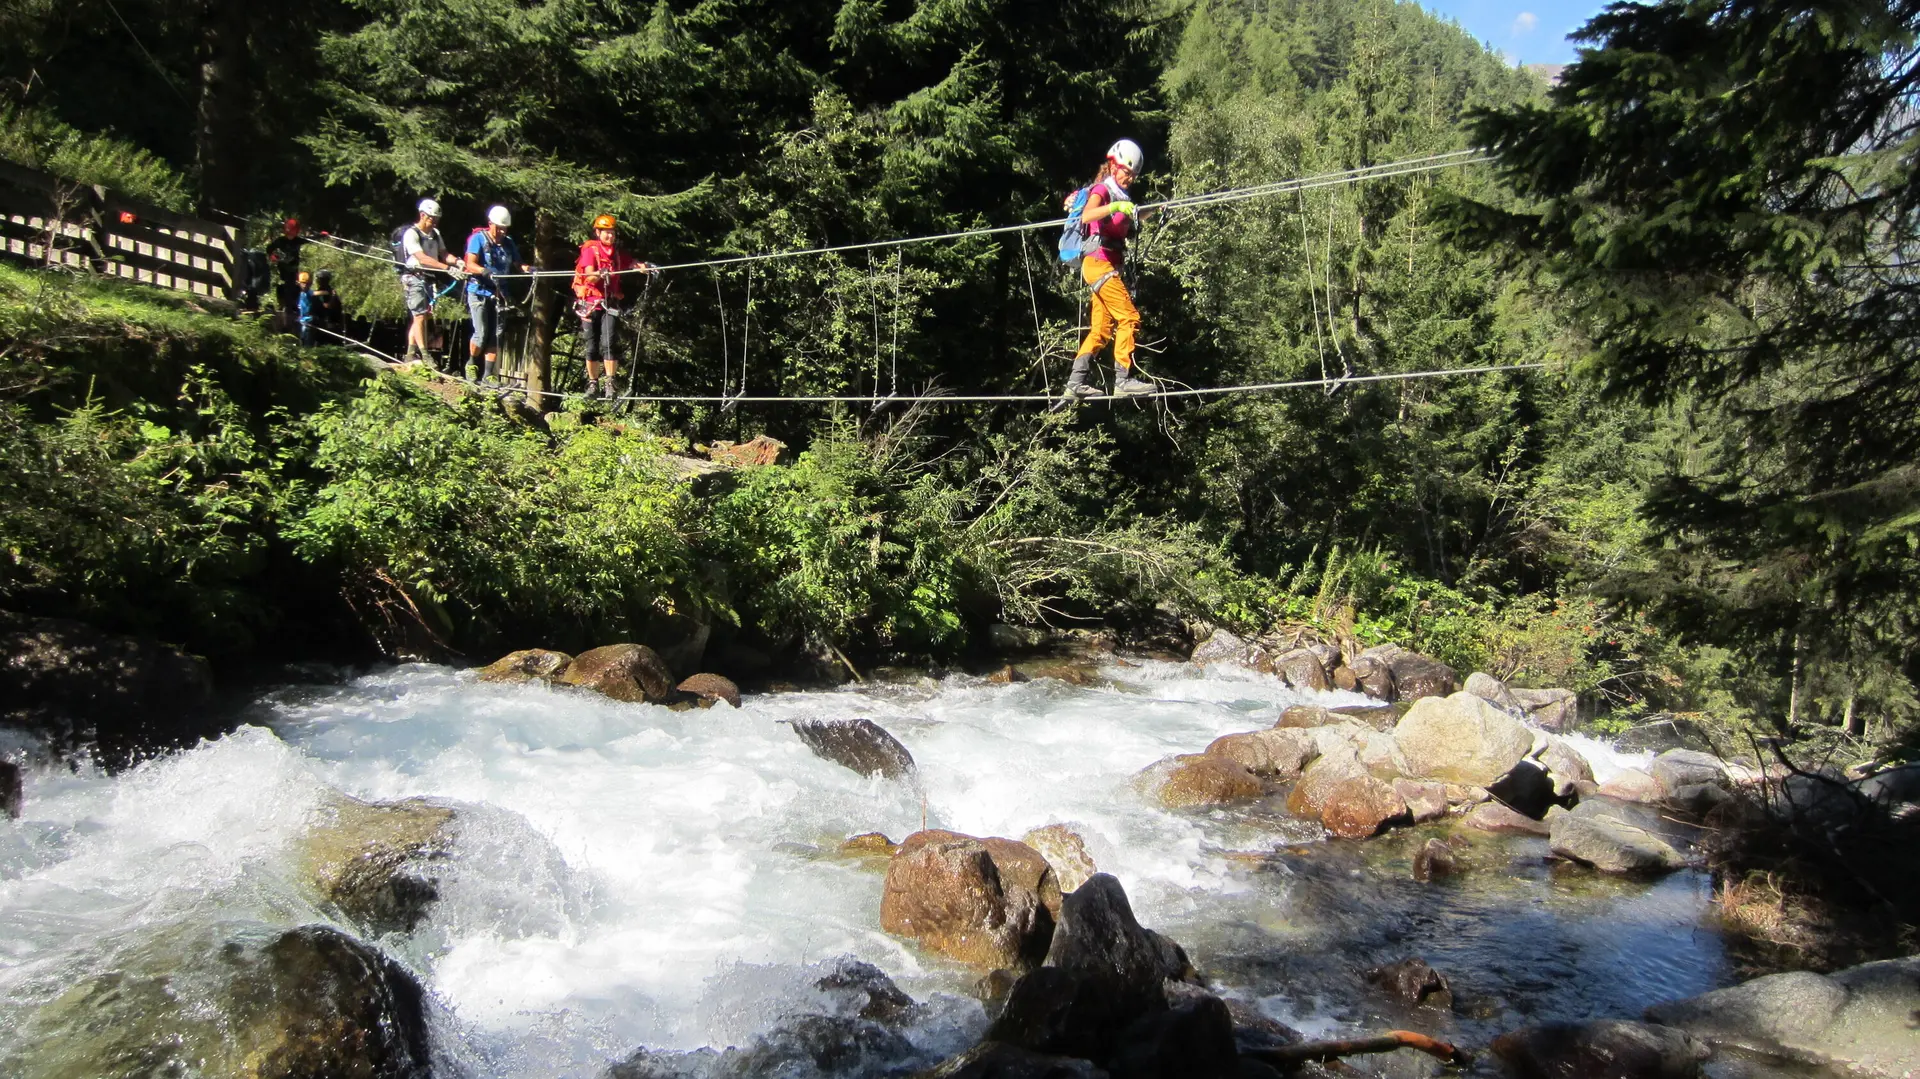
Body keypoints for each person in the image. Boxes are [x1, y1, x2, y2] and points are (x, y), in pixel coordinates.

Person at [1063, 139, 1155, 400]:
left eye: (1134, 175)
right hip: (1098, 262)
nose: (1130, 178)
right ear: (1114, 166)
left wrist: (1153, 210)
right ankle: (1123, 380)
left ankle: (1075, 383)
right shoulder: (1103, 190)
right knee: (1130, 318)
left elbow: (1130, 216)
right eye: (1127, 172)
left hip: (1107, 265)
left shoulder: (1121, 196)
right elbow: (1087, 215)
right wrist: (1114, 206)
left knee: (1101, 329)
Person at [571, 213, 653, 400]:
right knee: (591, 346)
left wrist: (642, 267)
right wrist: (601, 273)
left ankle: (610, 382)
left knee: (609, 343)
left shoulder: (616, 253)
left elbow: (630, 263)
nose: (610, 236)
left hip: (609, 304)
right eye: (606, 232)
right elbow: (589, 276)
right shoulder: (590, 251)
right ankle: (593, 384)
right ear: (598, 233)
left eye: (612, 233)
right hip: (590, 303)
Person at [464, 204, 534, 384]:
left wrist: (530, 269)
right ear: (491, 224)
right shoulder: (478, 239)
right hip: (479, 292)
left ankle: (489, 374)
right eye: (499, 228)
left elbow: (518, 264)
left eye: (505, 228)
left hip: (500, 294)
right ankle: (472, 365)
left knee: (496, 335)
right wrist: (483, 271)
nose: (502, 232)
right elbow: (470, 264)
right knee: (481, 333)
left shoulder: (508, 243)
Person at [401, 198, 459, 363]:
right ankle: (425, 354)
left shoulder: (435, 234)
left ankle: (410, 353)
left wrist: (457, 262)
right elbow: (422, 258)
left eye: (436, 219)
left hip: (428, 278)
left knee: (423, 316)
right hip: (413, 277)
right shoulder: (411, 234)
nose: (434, 222)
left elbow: (444, 254)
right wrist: (446, 268)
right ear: (422, 215)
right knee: (419, 316)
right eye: (431, 218)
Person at [266, 218, 307, 331]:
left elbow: (309, 240)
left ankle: (290, 309)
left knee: (291, 287)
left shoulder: (298, 241)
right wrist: (273, 256)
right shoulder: (280, 241)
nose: (291, 234)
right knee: (286, 287)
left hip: (293, 269)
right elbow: (269, 248)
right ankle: (287, 311)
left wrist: (322, 235)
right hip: (283, 268)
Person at [309, 268, 344, 342]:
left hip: (329, 325)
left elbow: (329, 306)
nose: (319, 281)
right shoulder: (322, 292)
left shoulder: (329, 293)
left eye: (321, 279)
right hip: (321, 325)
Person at [295, 270, 315, 345]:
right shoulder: (299, 294)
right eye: (303, 283)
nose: (305, 285)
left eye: (307, 283)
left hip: (308, 323)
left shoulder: (312, 294)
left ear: (310, 284)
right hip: (300, 322)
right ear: (299, 283)